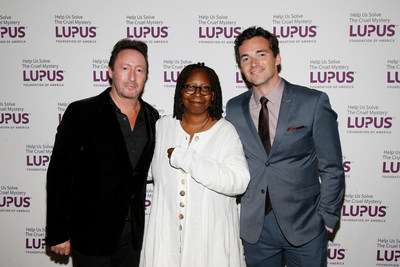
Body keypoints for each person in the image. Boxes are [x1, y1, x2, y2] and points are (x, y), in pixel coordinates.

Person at [226, 26, 345, 266]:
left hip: (306, 225)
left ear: (277, 58)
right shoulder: (234, 108)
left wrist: (326, 218)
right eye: (245, 58)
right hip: (256, 229)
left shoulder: (312, 102)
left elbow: (332, 168)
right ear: (240, 66)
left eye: (261, 54)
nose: (253, 63)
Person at [45, 39, 159, 267]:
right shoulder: (82, 113)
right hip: (91, 235)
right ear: (110, 72)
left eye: (139, 70)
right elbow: (59, 174)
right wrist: (59, 231)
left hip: (134, 237)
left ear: (146, 76)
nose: (132, 77)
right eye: (125, 69)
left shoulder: (153, 117)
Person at [142, 63, 250, 267]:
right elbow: (144, 169)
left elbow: (239, 182)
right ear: (180, 91)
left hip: (211, 242)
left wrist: (186, 158)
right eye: (190, 87)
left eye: (205, 88)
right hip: (167, 240)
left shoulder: (225, 131)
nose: (197, 94)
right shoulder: (163, 126)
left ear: (213, 95)